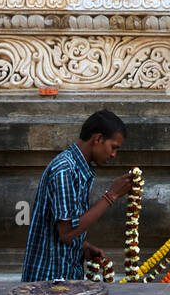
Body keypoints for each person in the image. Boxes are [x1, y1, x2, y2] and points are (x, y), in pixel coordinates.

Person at [21, 109, 134, 282]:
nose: (113, 155)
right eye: (113, 147)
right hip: (49, 281)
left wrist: (83, 247)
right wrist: (111, 196)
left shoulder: (79, 169)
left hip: (66, 275)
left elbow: (63, 229)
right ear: (97, 139)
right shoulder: (65, 169)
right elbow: (66, 233)